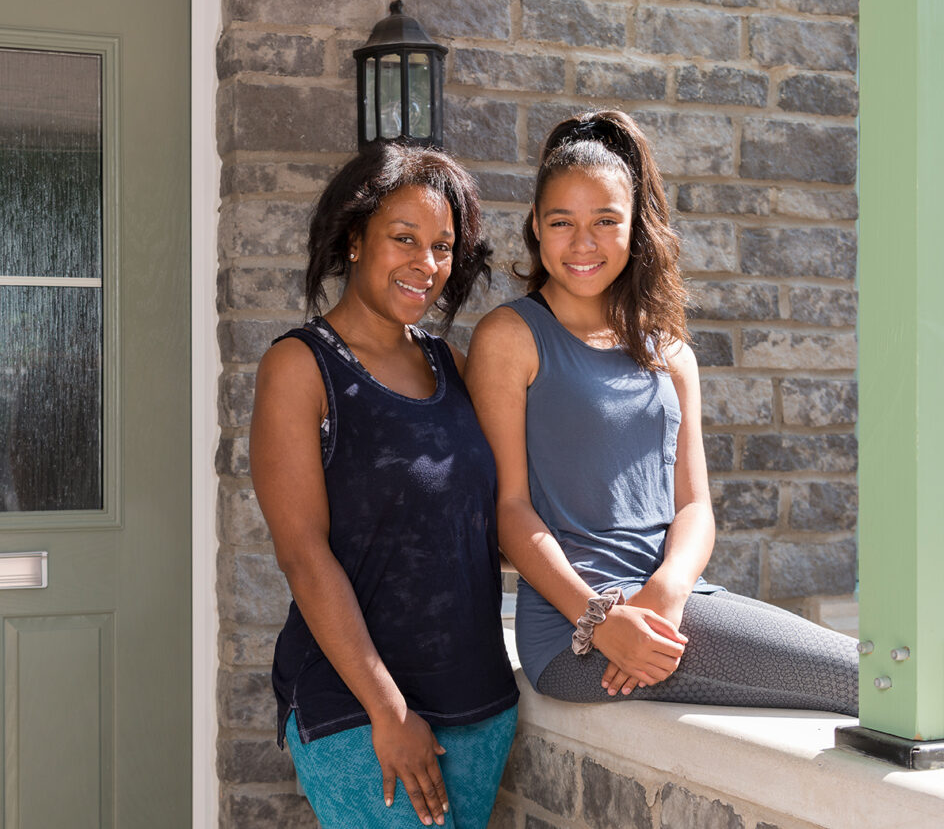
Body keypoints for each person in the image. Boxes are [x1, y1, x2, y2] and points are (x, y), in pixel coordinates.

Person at [466, 109, 857, 713]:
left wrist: (668, 591)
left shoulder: (670, 353)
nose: (583, 243)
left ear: (634, 227)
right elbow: (508, 508)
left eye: (605, 221)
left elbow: (694, 506)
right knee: (862, 679)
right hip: (575, 633)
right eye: (562, 222)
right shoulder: (510, 338)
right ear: (536, 227)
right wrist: (601, 619)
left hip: (677, 603)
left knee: (866, 673)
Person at [251, 143, 519, 828]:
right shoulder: (300, 368)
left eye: (442, 246)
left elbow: (504, 508)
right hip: (358, 708)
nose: (426, 263)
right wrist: (388, 709)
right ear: (355, 238)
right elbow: (302, 554)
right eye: (405, 238)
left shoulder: (451, 363)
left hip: (476, 704)